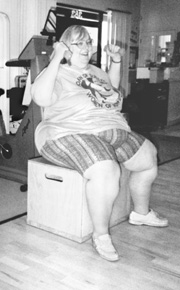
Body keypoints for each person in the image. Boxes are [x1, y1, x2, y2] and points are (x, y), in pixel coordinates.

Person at [31, 25, 168, 262]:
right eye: (78, 43)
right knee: (106, 169)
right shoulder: (57, 72)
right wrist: (56, 58)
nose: (85, 48)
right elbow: (41, 98)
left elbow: (110, 91)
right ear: (65, 47)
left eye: (88, 42)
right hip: (65, 132)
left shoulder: (95, 71)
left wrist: (115, 62)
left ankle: (141, 213)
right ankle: (101, 235)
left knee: (148, 156)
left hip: (108, 128)